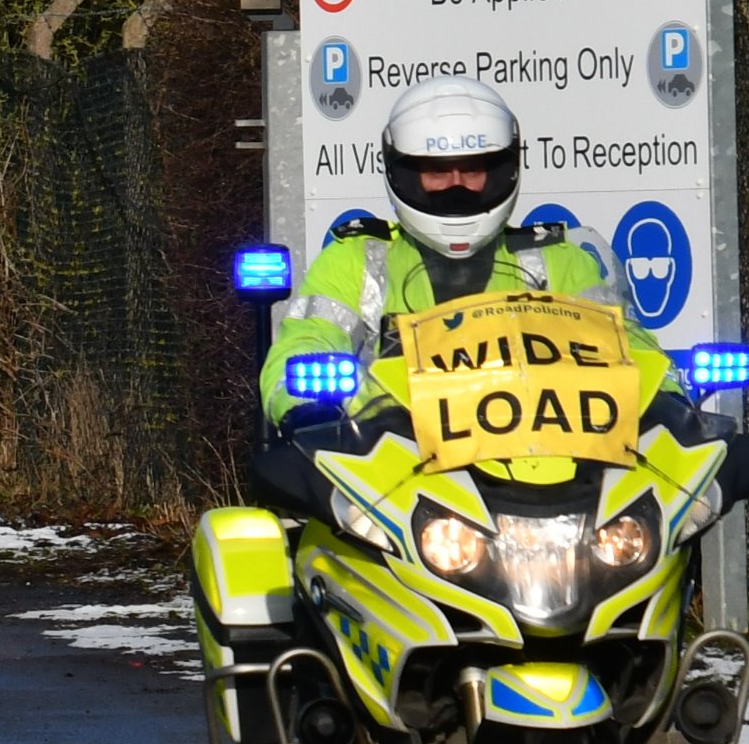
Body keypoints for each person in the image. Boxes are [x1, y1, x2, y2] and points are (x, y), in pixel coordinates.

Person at [249, 76, 674, 510]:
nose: (456, 185)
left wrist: (670, 401)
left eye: (473, 170)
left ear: (504, 169)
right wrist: (306, 407)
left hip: (555, 483)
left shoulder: (560, 261)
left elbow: (628, 347)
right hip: (385, 485)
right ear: (403, 171)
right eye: (437, 171)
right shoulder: (356, 261)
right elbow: (302, 345)